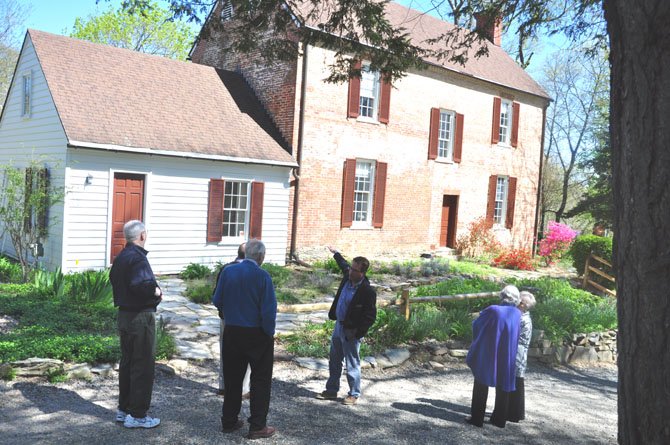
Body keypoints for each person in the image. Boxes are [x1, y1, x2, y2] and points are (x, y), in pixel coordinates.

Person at [212, 239, 277, 440]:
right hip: (256, 333)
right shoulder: (263, 277)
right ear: (261, 257)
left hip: (232, 331)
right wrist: (269, 333)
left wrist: (227, 316)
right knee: (260, 380)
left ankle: (229, 421)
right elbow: (268, 311)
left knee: (232, 378)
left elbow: (217, 300)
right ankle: (257, 425)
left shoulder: (228, 272)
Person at [109, 220, 162, 429]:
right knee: (143, 365)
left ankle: (124, 410)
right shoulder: (138, 258)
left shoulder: (121, 257)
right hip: (140, 317)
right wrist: (156, 291)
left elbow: (115, 279)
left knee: (128, 363)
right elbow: (141, 285)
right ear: (142, 236)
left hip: (124, 315)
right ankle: (138, 415)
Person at [316, 246, 377, 405]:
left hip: (351, 331)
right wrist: (335, 253)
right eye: (350, 268)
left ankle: (354, 394)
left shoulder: (367, 291)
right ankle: (331, 390)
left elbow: (370, 316)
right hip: (339, 326)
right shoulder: (347, 277)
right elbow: (343, 264)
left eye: (354, 270)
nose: (350, 271)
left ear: (362, 273)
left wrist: (357, 333)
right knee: (334, 360)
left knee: (352, 363)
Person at [465, 285, 521, 428]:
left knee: (481, 382)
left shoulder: (493, 310)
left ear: (502, 295)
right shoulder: (516, 313)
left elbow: (477, 325)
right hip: (507, 353)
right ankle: (499, 419)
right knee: (503, 384)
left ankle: (477, 419)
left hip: (490, 351)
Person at [214, 242, 251, 398]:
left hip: (227, 318)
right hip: (247, 321)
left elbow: (217, 297)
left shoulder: (225, 269)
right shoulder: (254, 271)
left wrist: (223, 311)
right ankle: (243, 389)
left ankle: (223, 386)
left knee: (225, 353)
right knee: (246, 355)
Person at [506, 291, 537, 422]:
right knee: (516, 381)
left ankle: (514, 413)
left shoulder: (523, 319)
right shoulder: (523, 317)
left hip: (517, 354)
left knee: (516, 382)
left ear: (523, 305)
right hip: (518, 353)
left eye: (519, 302)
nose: (516, 304)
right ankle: (514, 412)